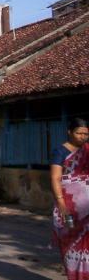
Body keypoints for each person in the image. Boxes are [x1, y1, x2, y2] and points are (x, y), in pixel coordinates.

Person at [51, 117, 89, 280]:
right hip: (68, 205)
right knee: (69, 242)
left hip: (87, 206)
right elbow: (55, 178)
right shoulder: (60, 152)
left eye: (86, 134)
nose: (82, 137)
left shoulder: (88, 151)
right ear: (69, 132)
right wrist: (61, 205)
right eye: (79, 133)